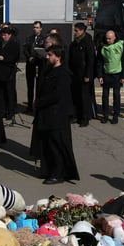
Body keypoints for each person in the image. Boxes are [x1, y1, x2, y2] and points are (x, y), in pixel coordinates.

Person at [33, 45, 79, 184]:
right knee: (48, 145)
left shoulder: (63, 73)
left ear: (58, 57)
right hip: (48, 115)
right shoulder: (50, 70)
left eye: (50, 55)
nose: (47, 57)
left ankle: (58, 173)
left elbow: (57, 95)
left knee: (57, 145)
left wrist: (40, 102)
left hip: (57, 115)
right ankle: (49, 170)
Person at [68, 22, 95, 126]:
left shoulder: (87, 42)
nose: (75, 32)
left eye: (76, 30)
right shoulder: (74, 43)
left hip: (84, 75)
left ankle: (85, 118)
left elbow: (90, 60)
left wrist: (88, 75)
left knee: (84, 97)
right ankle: (75, 115)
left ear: (82, 31)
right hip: (75, 74)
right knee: (75, 96)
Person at [98, 30, 124, 124]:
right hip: (106, 74)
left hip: (117, 74)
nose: (108, 40)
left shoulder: (121, 45)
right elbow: (99, 62)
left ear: (114, 38)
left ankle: (115, 115)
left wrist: (123, 76)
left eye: (110, 38)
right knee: (105, 96)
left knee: (116, 96)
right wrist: (100, 75)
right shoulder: (102, 46)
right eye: (107, 38)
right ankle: (105, 115)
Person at [0, 26, 20, 119]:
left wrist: (4, 58)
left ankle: (11, 111)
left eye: (5, 35)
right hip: (0, 70)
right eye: (2, 35)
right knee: (1, 92)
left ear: (9, 35)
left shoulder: (14, 44)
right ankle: (2, 110)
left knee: (9, 91)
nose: (3, 37)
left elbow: (15, 57)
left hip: (9, 70)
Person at [22, 21, 47, 112]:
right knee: (30, 86)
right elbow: (25, 49)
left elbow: (44, 51)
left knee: (39, 86)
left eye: (37, 27)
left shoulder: (44, 39)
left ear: (40, 28)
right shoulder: (29, 38)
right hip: (30, 65)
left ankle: (38, 104)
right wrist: (29, 57)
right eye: (34, 27)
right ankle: (29, 106)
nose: (35, 29)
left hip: (40, 65)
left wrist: (36, 57)